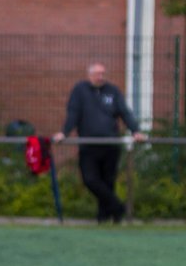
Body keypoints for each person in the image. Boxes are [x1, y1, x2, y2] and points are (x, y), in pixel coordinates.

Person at [53, 62, 146, 224]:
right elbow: (73, 113)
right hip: (89, 145)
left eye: (103, 73)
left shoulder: (113, 91)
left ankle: (105, 218)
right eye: (97, 74)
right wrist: (64, 132)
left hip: (110, 145)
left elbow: (124, 112)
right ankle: (118, 207)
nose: (101, 77)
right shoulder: (80, 90)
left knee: (108, 182)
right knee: (90, 180)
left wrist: (135, 130)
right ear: (89, 75)